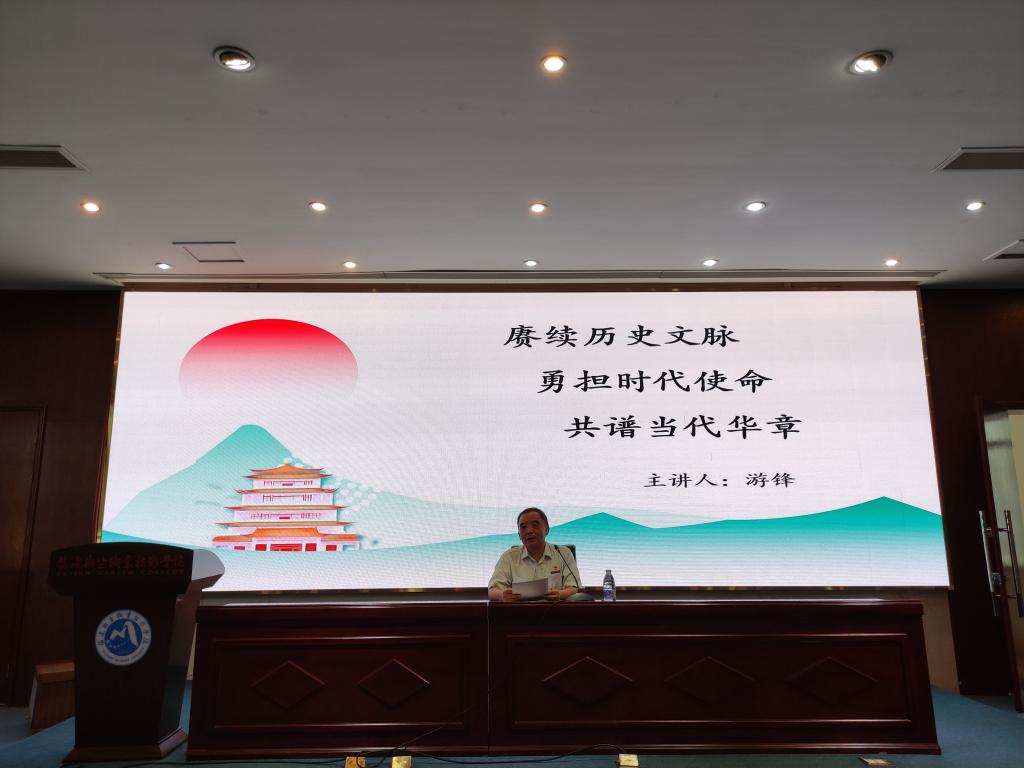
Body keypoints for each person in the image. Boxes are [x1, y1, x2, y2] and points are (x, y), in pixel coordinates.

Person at [488, 507, 581, 602]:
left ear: (547, 529)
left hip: (554, 609)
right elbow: (492, 590)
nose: (529, 531)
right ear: (519, 534)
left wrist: (561, 594)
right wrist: (501, 595)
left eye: (535, 525)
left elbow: (574, 587)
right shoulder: (509, 557)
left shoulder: (563, 554)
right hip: (519, 610)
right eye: (523, 527)